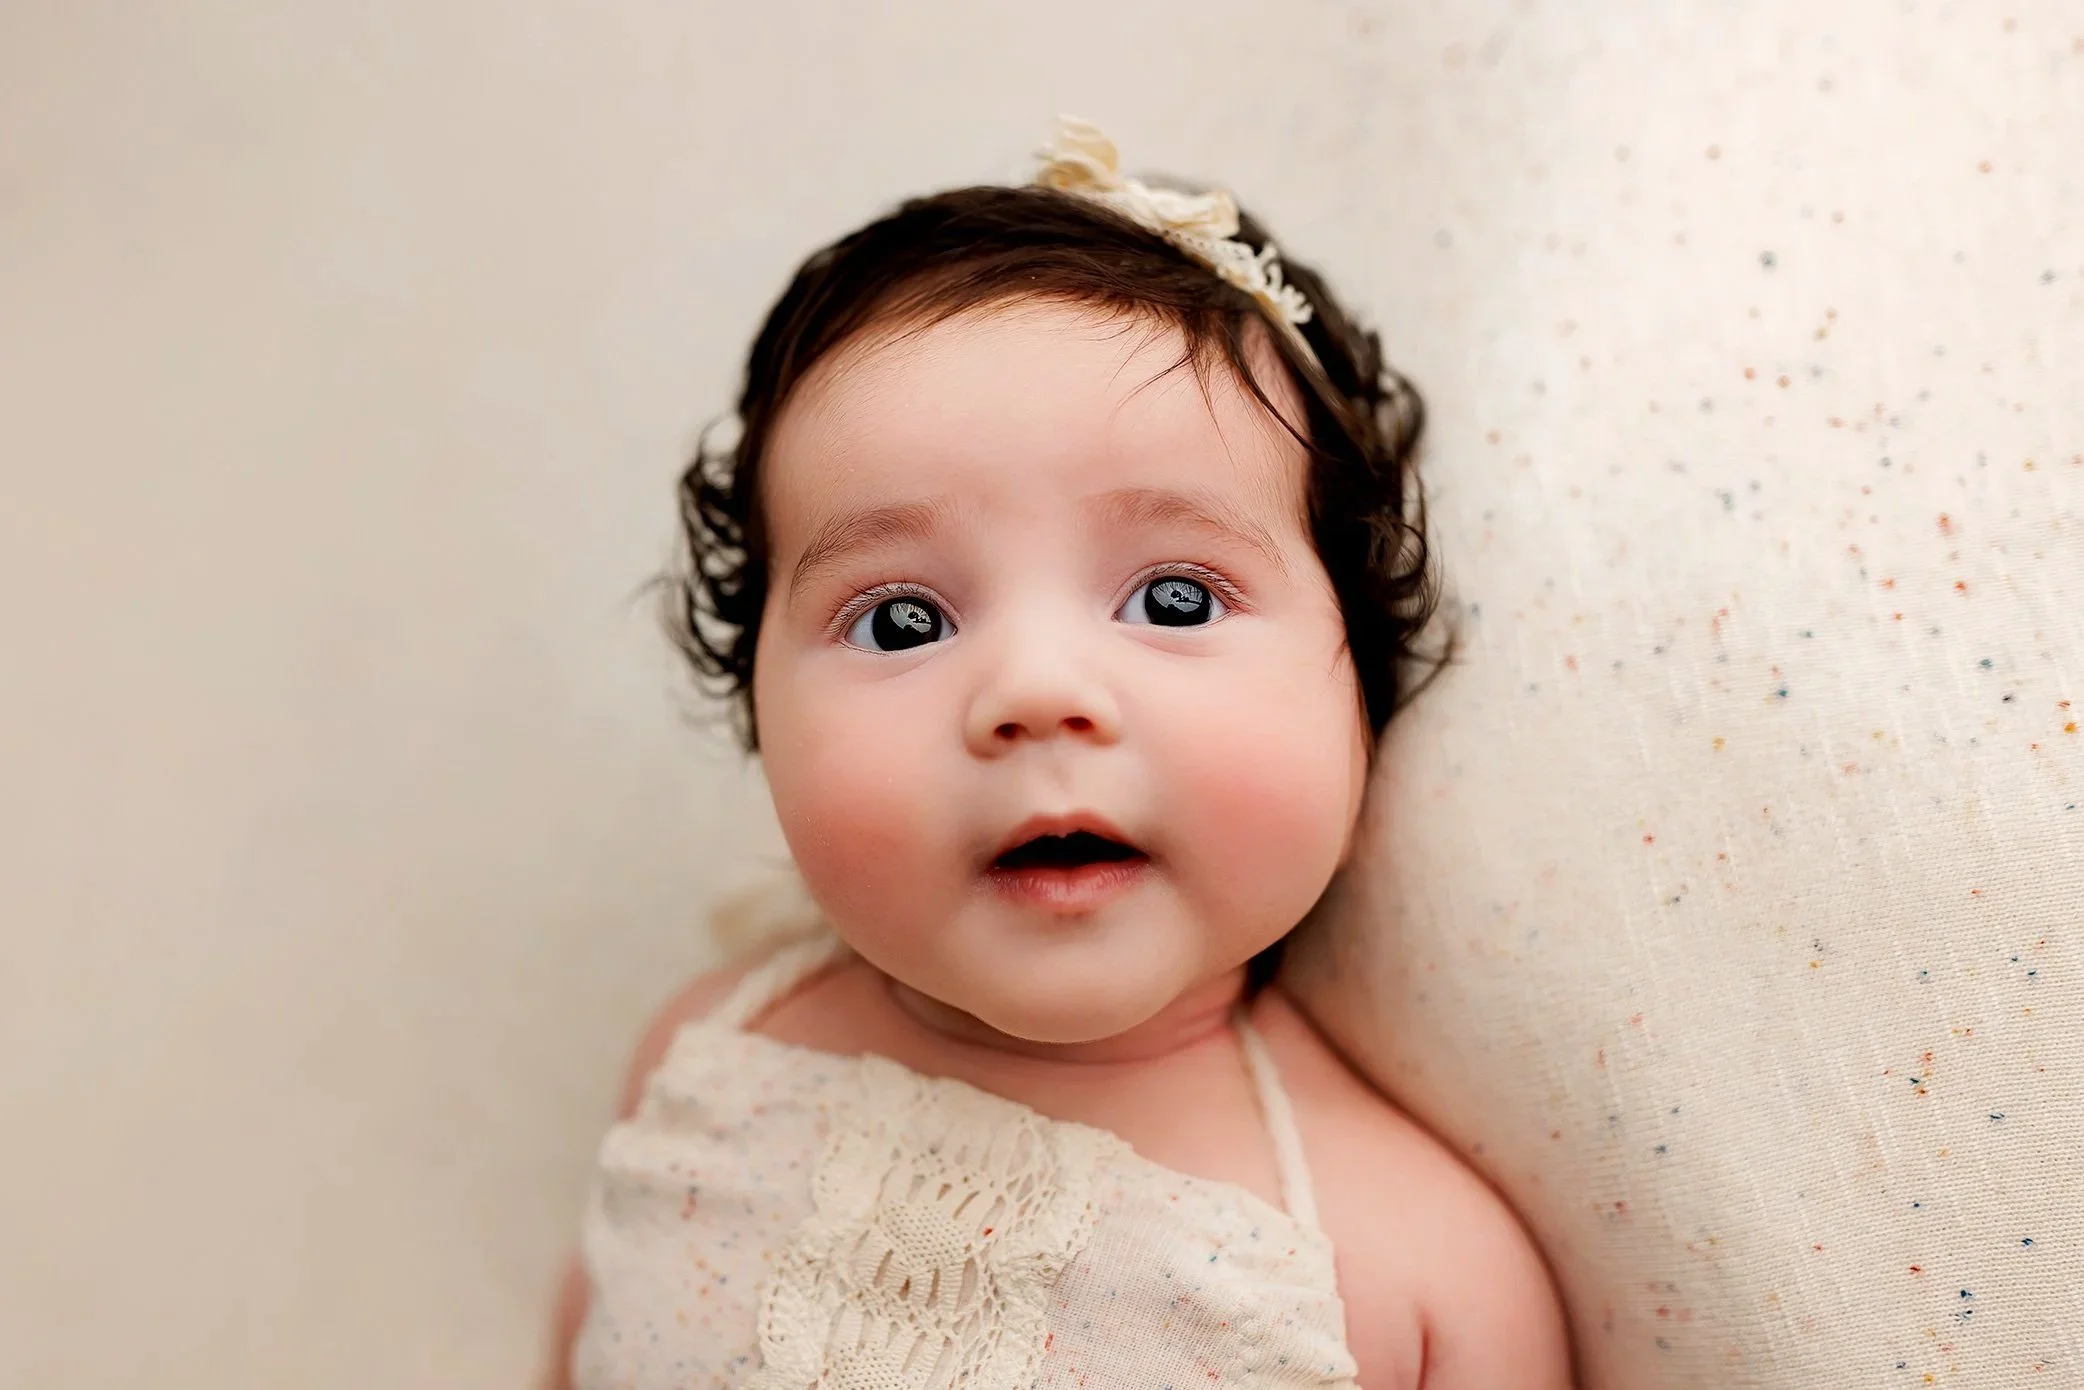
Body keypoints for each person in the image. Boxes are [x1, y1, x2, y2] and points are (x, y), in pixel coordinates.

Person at [543, 119, 1572, 1388]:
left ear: (1361, 694)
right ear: (760, 711)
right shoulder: (709, 1057)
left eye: (1175, 600)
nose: (1034, 695)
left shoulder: (1411, 1269)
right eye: (902, 619)